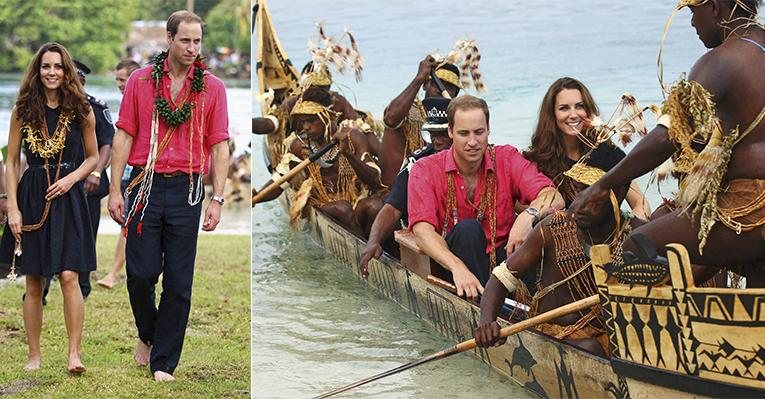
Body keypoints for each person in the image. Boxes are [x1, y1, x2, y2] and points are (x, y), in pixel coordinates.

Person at [570, 0, 765, 286]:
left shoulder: (722, 60)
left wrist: (604, 184)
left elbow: (667, 136)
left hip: (752, 212)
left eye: (692, 12)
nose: (692, 24)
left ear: (713, 8)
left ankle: (643, 330)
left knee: (637, 245)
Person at [107, 10, 230, 381]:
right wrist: (114, 190)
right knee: (140, 274)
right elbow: (124, 135)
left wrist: (218, 198)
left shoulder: (213, 88)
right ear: (169, 39)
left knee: (179, 280)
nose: (192, 48)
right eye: (185, 40)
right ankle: (147, 333)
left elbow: (220, 144)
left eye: (197, 41)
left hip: (188, 190)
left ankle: (164, 362)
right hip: (143, 185)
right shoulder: (141, 82)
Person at [473, 144, 635, 356]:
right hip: (555, 337)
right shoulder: (553, 229)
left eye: (591, 192)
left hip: (611, 342)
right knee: (591, 348)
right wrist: (487, 322)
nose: (579, 202)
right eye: (577, 190)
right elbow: (500, 279)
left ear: (619, 192)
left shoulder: (635, 234)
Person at [0, 42, 99, 373]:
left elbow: (93, 157)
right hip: (31, 196)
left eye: (57, 66)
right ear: (37, 70)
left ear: (66, 70)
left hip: (67, 196)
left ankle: (74, 354)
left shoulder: (81, 109)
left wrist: (71, 180)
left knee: (70, 274)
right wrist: (12, 208)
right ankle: (34, 356)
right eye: (45, 66)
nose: (52, 72)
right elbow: (12, 162)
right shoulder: (22, 110)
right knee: (34, 279)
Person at [407, 95, 564, 300]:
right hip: (456, 263)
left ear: (488, 129)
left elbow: (554, 196)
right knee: (468, 230)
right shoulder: (424, 169)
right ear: (450, 132)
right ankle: (484, 305)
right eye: (464, 133)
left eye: (479, 132)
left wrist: (528, 216)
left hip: (505, 257)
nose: (472, 142)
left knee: (542, 235)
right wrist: (457, 267)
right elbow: (421, 231)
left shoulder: (506, 157)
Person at [254, 86, 382, 237]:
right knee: (342, 208)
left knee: (375, 206)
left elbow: (375, 181)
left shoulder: (354, 137)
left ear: (328, 116)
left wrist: (349, 155)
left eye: (311, 120)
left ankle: (372, 248)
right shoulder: (298, 145)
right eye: (302, 122)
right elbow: (280, 182)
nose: (305, 127)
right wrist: (257, 197)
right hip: (324, 204)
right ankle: (365, 253)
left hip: (355, 201)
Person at [39, 59, 114, 301]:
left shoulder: (93, 107)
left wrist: (96, 172)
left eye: (77, 80)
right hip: (52, 181)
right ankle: (43, 285)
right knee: (46, 233)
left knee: (84, 236)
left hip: (86, 183)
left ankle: (82, 288)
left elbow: (107, 145)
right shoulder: (42, 106)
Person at [523, 77, 651, 218]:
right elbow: (523, 210)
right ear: (552, 114)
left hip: (610, 237)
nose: (573, 114)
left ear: (588, 109)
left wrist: (629, 234)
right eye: (564, 108)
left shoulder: (608, 153)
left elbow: (640, 203)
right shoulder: (537, 160)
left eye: (579, 106)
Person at [359, 97, 453, 276]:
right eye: (433, 135)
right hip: (425, 238)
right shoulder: (416, 163)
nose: (437, 142)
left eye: (443, 135)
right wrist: (373, 241)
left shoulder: (472, 158)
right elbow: (392, 209)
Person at [380, 57, 460, 186]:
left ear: (455, 94)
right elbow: (390, 118)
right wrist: (419, 78)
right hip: (395, 192)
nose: (441, 89)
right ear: (425, 84)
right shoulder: (407, 111)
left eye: (449, 87)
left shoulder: (457, 121)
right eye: (437, 83)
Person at [97, 59, 140, 289]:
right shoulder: (123, 103)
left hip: (136, 174)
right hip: (122, 174)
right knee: (128, 226)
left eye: (123, 79)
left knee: (129, 225)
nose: (119, 84)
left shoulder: (140, 102)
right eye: (117, 79)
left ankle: (113, 273)